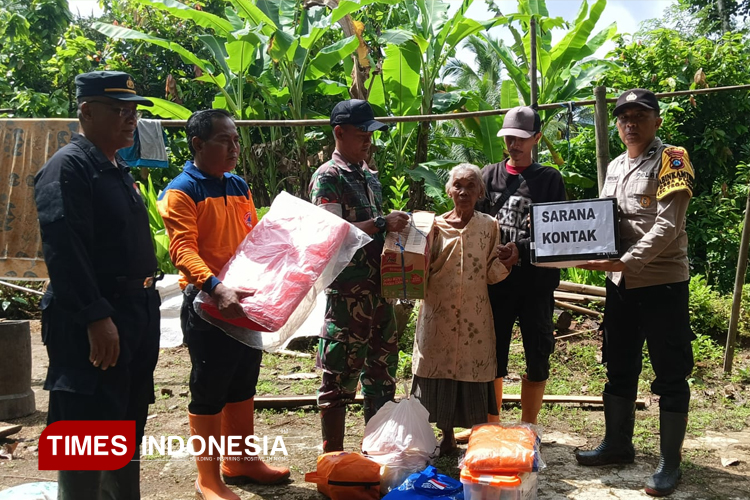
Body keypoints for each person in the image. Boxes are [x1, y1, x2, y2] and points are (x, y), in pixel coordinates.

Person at [34, 71, 161, 500]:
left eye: (134, 110)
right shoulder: (68, 167)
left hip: (134, 311)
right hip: (96, 314)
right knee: (86, 427)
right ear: (87, 111)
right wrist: (95, 315)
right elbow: (64, 249)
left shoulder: (115, 167)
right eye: (119, 110)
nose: (130, 118)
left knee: (124, 421)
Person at [158, 109, 289, 500]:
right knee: (209, 388)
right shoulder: (181, 191)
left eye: (236, 140)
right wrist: (215, 287)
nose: (234, 147)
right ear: (198, 144)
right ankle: (208, 479)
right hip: (207, 303)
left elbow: (253, 240)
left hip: (244, 300)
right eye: (224, 140)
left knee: (243, 381)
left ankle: (241, 461)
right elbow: (182, 250)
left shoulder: (237, 185)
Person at [575, 89, 695, 497]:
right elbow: (603, 221)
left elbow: (669, 225)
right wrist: (582, 249)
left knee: (671, 372)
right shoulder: (614, 166)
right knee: (619, 363)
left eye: (639, 115)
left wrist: (625, 262)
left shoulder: (673, 158)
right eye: (624, 116)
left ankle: (669, 463)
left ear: (656, 121)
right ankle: (618, 445)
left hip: (662, 281)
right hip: (621, 284)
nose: (630, 122)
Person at [309, 99, 410, 452]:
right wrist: (382, 223)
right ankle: (333, 459)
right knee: (338, 379)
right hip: (347, 297)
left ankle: (376, 454)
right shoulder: (328, 178)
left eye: (372, 133)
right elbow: (330, 236)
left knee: (381, 376)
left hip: (379, 294)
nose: (369, 140)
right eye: (361, 133)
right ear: (338, 133)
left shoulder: (369, 176)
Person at [468, 106, 566, 437]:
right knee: (492, 356)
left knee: (538, 353)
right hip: (496, 285)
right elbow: (475, 224)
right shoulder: (488, 176)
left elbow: (557, 232)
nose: (515, 144)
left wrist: (520, 251)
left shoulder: (550, 179)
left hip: (537, 284)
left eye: (522, 139)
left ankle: (529, 427)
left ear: (537, 138)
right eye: (510, 138)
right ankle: (491, 427)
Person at [411, 163, 518, 455]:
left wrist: (507, 262)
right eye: (458, 185)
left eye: (471, 186)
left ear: (480, 192)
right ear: (448, 190)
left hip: (475, 318)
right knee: (440, 375)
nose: (464, 191)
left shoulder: (489, 226)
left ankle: (476, 440)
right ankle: (446, 437)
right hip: (438, 316)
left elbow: (491, 273)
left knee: (473, 376)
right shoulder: (431, 227)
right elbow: (416, 270)